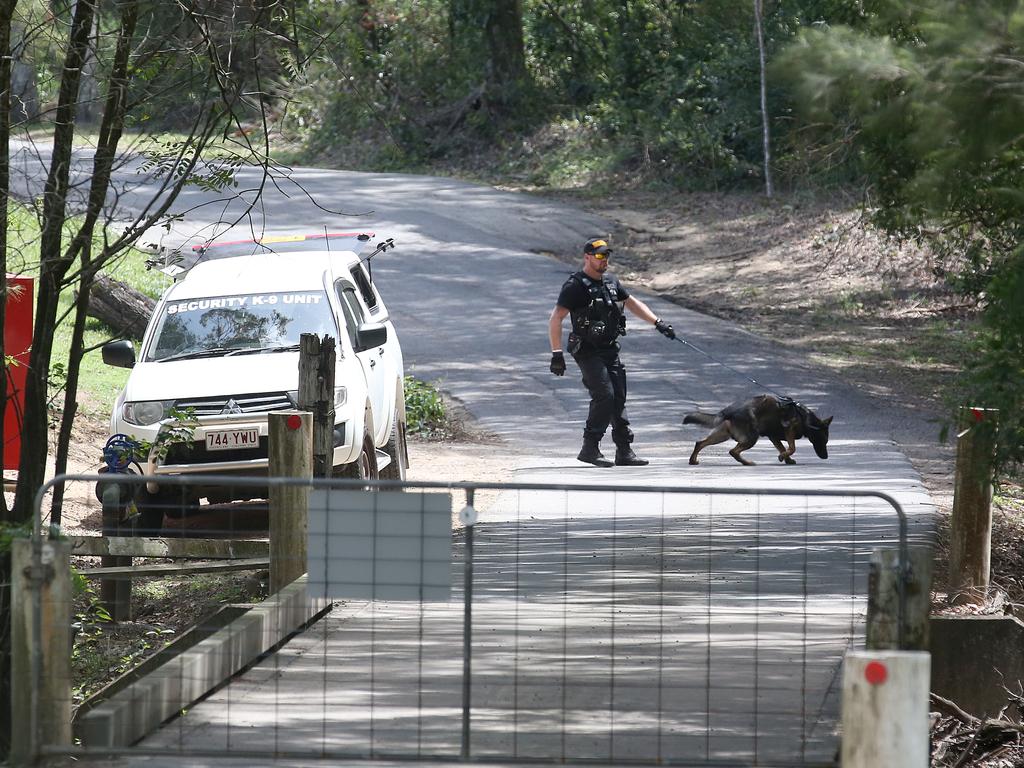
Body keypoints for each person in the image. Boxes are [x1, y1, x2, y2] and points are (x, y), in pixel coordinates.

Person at [548, 237, 676, 467]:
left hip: (609, 348)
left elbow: (632, 303)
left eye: (606, 255)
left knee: (618, 396)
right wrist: (556, 354)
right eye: (599, 256)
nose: (604, 260)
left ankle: (624, 451)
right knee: (604, 394)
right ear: (587, 257)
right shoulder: (575, 286)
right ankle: (590, 447)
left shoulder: (611, 283)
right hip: (587, 351)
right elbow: (556, 317)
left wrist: (658, 323)